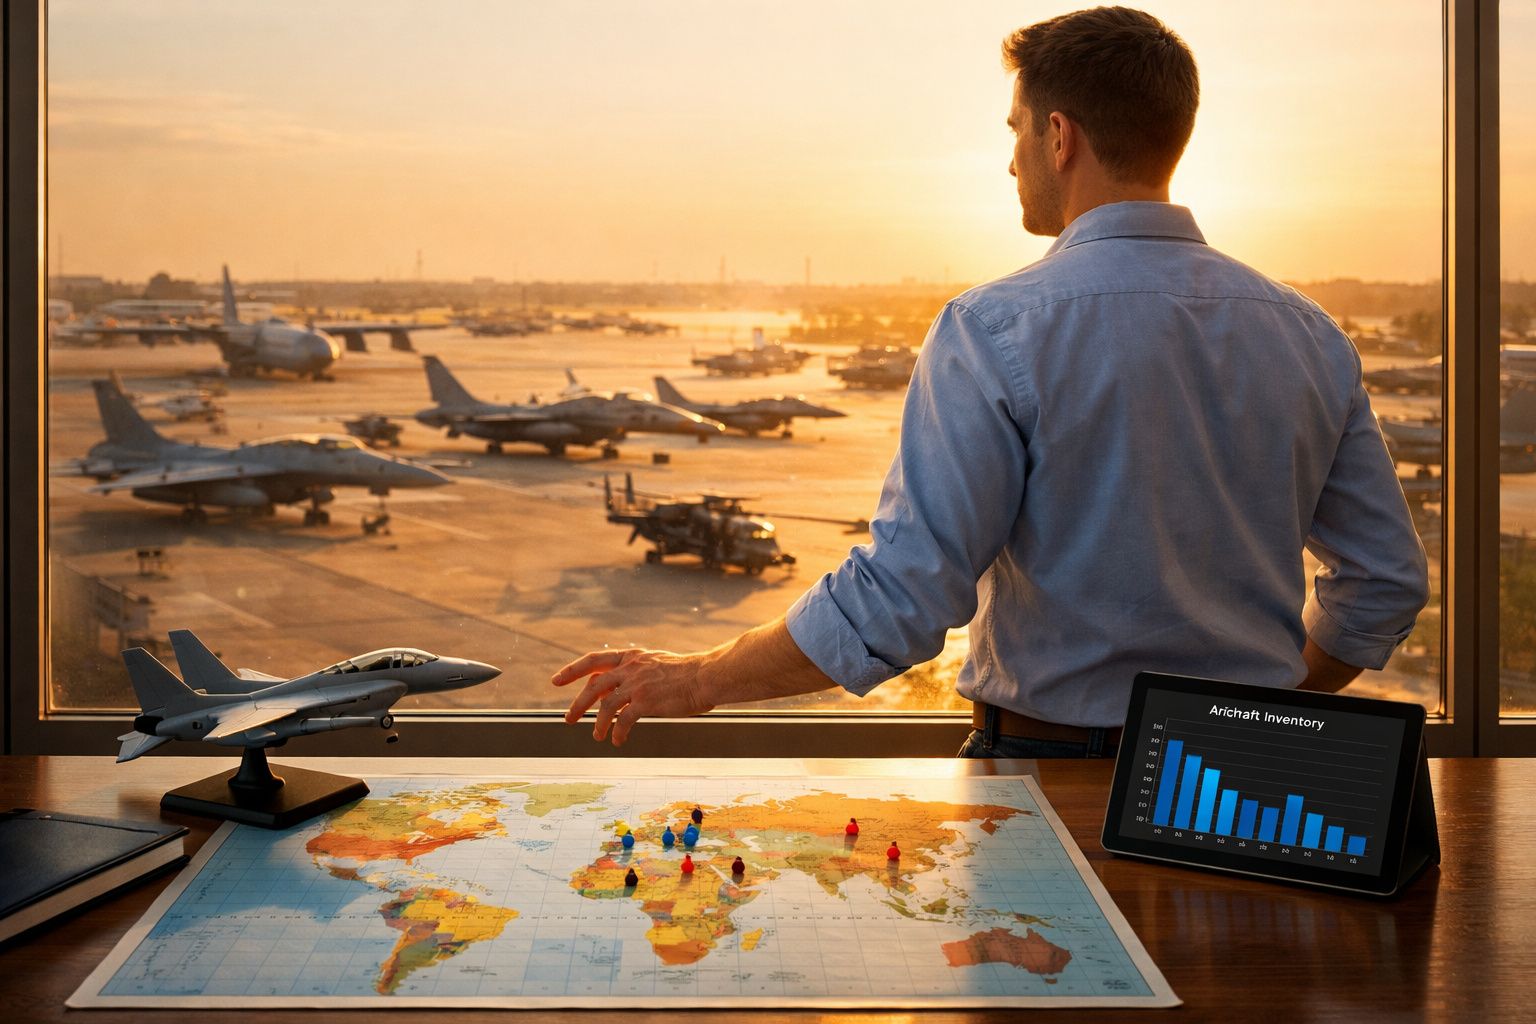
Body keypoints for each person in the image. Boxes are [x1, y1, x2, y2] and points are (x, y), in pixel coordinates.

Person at [552, 6, 1429, 756]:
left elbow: (903, 594)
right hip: (1244, 773)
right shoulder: (1311, 334)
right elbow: (1385, 580)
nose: (1011, 162)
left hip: (1052, 767)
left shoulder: (995, 327)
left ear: (1060, 136)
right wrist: (1254, 714)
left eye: (1016, 131)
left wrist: (699, 678)